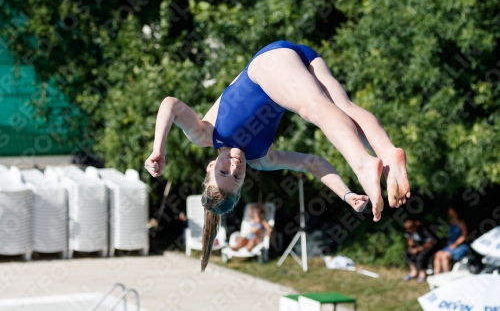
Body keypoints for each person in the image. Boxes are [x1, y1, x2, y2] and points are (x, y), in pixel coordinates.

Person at [144, 41, 411, 271]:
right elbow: (314, 164)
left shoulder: (205, 134)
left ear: (210, 165)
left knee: (314, 108)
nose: (235, 166)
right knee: (345, 107)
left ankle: (362, 163)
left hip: (269, 65)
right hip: (302, 58)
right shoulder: (263, 159)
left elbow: (171, 104)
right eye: (237, 177)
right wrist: (345, 194)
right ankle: (388, 155)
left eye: (223, 171)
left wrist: (159, 149)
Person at [433, 206, 469, 274]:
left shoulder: (461, 222)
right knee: (437, 254)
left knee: (444, 256)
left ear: (455, 211)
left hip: (460, 246)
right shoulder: (451, 221)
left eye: (450, 210)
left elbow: (464, 236)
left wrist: (456, 244)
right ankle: (436, 276)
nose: (449, 212)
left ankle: (446, 276)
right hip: (450, 245)